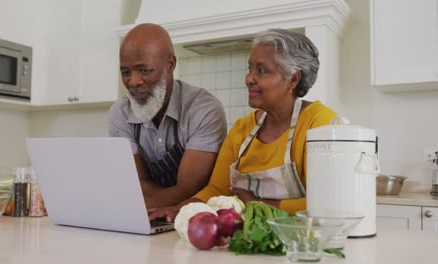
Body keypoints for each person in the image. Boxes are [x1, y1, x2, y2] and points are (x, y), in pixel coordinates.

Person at [148, 28, 337, 221]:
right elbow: (217, 189)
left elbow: (327, 202)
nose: (248, 79)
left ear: (293, 79)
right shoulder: (242, 129)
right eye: (250, 69)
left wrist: (256, 204)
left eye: (261, 71)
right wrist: (182, 208)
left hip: (300, 243)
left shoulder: (320, 124)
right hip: (246, 238)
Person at [108, 23, 227, 208]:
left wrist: (138, 201)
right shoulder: (120, 112)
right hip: (147, 215)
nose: (134, 81)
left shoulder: (203, 109)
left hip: (194, 218)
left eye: (144, 70)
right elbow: (134, 186)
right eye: (125, 72)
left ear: (170, 65)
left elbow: (189, 190)